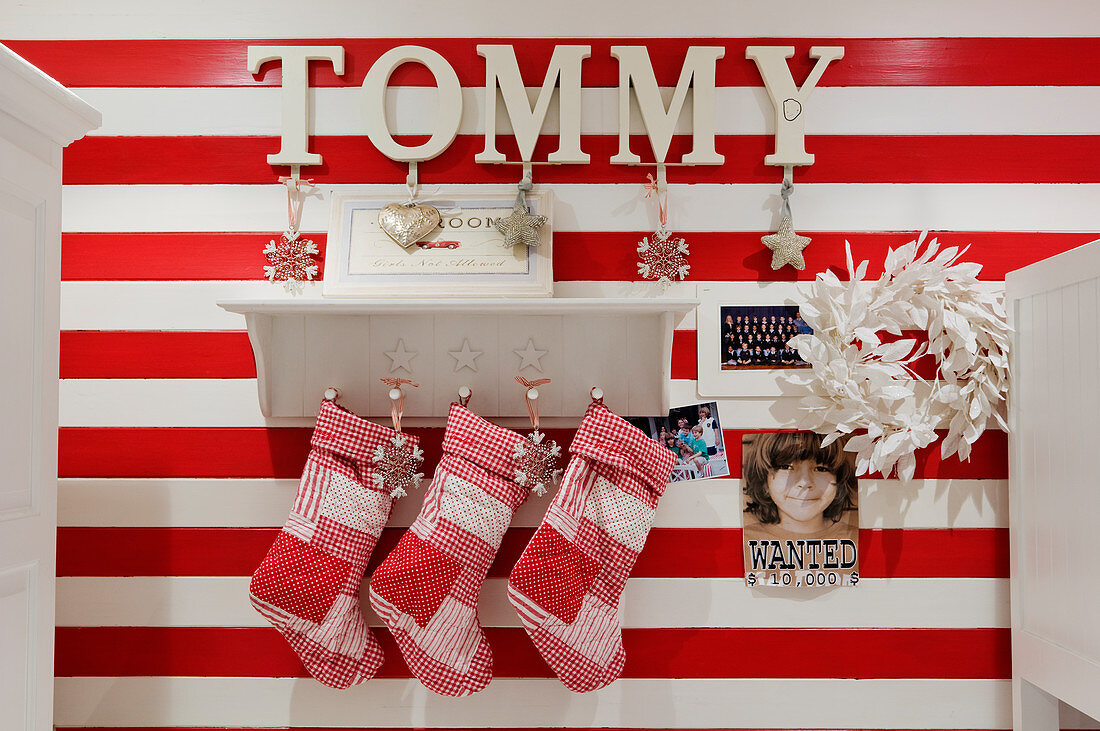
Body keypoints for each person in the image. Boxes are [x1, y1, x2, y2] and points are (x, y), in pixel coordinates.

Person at [741, 431, 857, 542]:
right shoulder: (743, 541)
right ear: (764, 479)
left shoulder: (858, 540)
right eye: (786, 467)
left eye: (821, 469)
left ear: (840, 479)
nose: (805, 482)